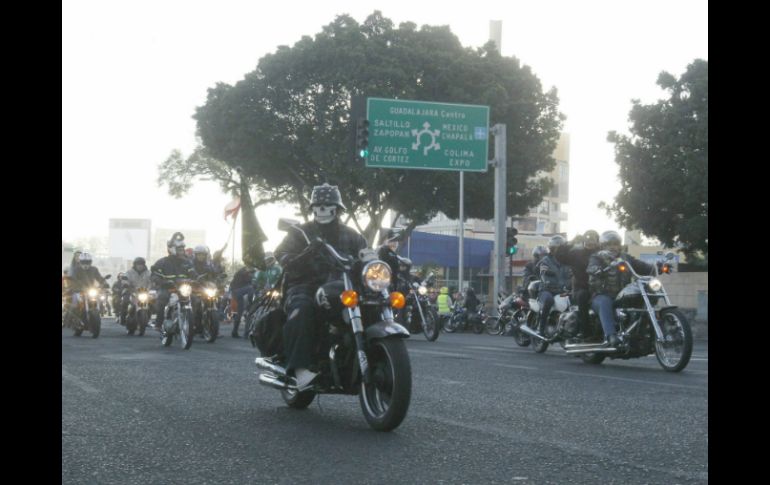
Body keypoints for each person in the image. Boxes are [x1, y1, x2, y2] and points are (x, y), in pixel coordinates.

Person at [273, 183, 367, 389]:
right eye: (318, 205)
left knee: (371, 303)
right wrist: (299, 256)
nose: (323, 209)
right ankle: (299, 370)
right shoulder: (301, 232)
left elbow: (365, 255)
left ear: (338, 208)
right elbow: (280, 253)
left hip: (342, 285)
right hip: (304, 285)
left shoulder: (352, 235)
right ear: (312, 208)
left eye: (328, 205)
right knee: (303, 308)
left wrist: (374, 259)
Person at [587, 230, 654, 347]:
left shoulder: (625, 258)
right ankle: (611, 335)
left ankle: (642, 332)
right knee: (605, 302)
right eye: (610, 244)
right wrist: (597, 270)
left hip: (622, 294)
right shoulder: (597, 257)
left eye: (616, 244)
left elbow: (642, 266)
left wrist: (659, 266)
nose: (613, 247)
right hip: (601, 294)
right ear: (603, 245)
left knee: (643, 296)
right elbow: (591, 267)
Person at [150, 232, 195, 329]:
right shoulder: (162, 262)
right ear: (172, 249)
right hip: (168, 288)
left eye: (182, 249)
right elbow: (154, 274)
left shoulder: (187, 262)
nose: (182, 251)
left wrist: (198, 279)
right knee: (162, 298)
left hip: (183, 288)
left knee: (196, 299)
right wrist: (161, 281)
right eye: (179, 249)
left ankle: (197, 324)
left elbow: (193, 273)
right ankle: (159, 323)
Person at [560, 230, 600, 337]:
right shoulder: (576, 253)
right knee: (583, 296)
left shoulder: (602, 254)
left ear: (598, 240)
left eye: (592, 238)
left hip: (601, 288)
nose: (589, 240)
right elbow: (561, 257)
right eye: (587, 237)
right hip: (581, 288)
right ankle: (584, 330)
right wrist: (570, 243)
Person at [535, 235, 572, 335]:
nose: (559, 251)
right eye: (556, 249)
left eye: (561, 248)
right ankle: (541, 328)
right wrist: (548, 281)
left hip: (563, 291)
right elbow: (543, 275)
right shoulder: (545, 261)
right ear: (551, 249)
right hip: (547, 290)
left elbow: (573, 275)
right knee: (548, 300)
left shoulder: (569, 262)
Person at [68, 252, 110, 318]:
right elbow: (73, 280)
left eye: (87, 262)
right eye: (83, 262)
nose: (85, 264)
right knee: (74, 305)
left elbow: (99, 278)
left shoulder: (94, 269)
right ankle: (70, 319)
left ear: (90, 262)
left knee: (100, 299)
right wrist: (74, 286)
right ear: (80, 262)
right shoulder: (76, 270)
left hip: (90, 290)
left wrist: (105, 283)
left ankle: (101, 310)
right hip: (78, 291)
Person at [122, 257, 152, 329]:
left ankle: (147, 319)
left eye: (141, 264)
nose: (140, 266)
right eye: (138, 264)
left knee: (153, 303)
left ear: (144, 265)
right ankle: (123, 318)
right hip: (131, 291)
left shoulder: (149, 273)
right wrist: (126, 284)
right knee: (125, 301)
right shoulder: (129, 272)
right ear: (135, 265)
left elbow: (152, 281)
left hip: (144, 292)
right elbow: (125, 279)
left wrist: (153, 285)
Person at [229, 266, 257, 338]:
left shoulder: (247, 276)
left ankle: (235, 332)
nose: (252, 275)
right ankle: (251, 304)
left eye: (253, 273)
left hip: (238, 293)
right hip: (237, 291)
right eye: (251, 273)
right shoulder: (242, 273)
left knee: (240, 312)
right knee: (250, 288)